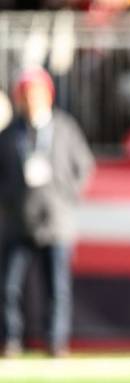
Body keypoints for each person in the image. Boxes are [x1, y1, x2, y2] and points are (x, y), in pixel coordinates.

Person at [0, 66, 95, 358]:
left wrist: (66, 195)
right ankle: (11, 339)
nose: (31, 99)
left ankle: (55, 341)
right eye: (26, 94)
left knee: (57, 288)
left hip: (57, 220)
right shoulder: (9, 133)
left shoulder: (65, 128)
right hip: (18, 220)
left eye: (36, 93)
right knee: (9, 286)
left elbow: (84, 167)